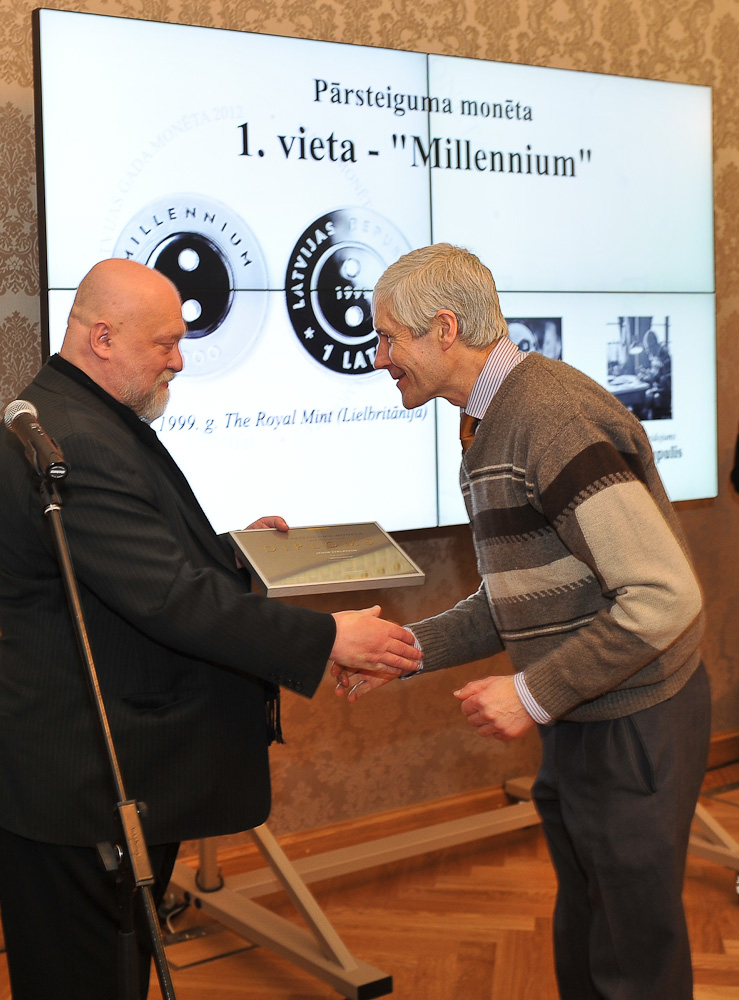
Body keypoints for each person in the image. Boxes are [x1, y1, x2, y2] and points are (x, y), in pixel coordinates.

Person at [0, 258, 421, 1000]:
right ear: (103, 338)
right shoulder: (77, 437)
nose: (179, 361)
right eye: (165, 343)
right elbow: (166, 597)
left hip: (99, 776)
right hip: (81, 788)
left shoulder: (80, 415)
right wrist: (326, 639)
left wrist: (228, 553)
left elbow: (125, 563)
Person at [334, 244, 710, 1000]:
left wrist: (531, 694)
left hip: (633, 720)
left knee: (633, 958)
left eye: (388, 338)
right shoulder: (490, 421)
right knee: (589, 936)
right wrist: (403, 652)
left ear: (445, 329)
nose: (378, 359)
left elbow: (663, 596)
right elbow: (515, 596)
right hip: (586, 712)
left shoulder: (548, 418)